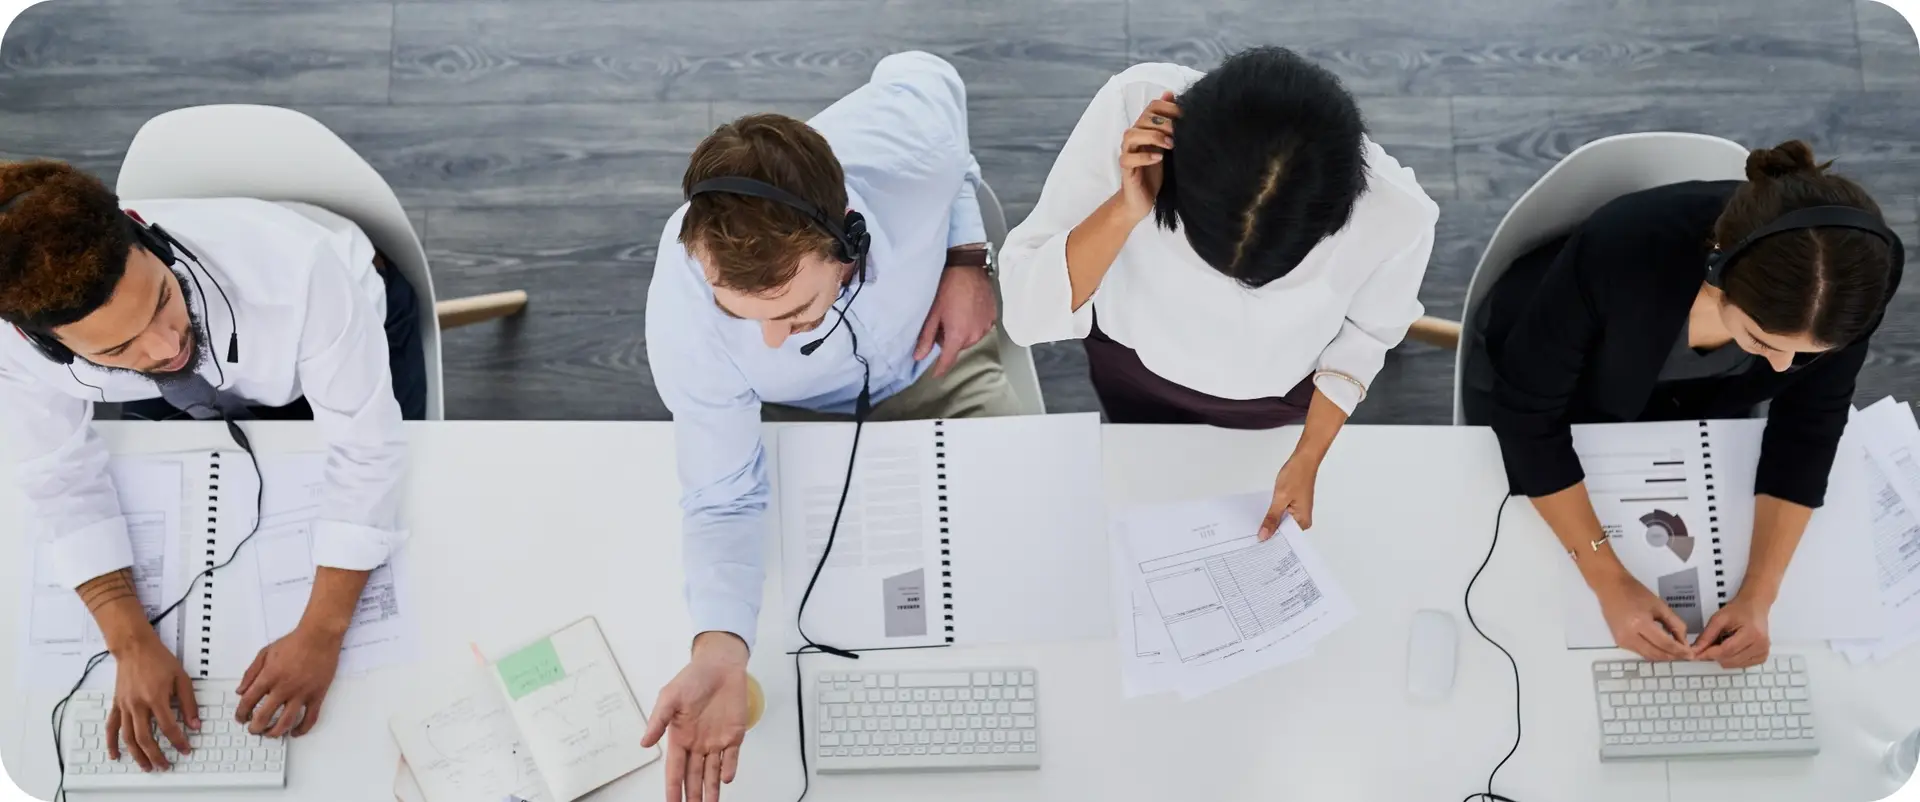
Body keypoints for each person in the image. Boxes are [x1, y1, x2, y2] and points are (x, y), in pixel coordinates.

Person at [641, 51, 1020, 802]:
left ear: (847, 241)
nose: (771, 344)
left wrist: (967, 253)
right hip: (796, 420)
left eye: (792, 313)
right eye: (745, 318)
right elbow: (721, 496)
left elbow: (927, 70)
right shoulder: (687, 309)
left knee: (1020, 561)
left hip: (937, 366)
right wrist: (719, 643)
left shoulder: (906, 140)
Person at [0, 160, 423, 771]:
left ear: (147, 237)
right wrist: (128, 640)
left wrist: (322, 632)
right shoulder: (14, 344)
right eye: (117, 348)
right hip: (186, 392)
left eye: (162, 300)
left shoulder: (301, 268)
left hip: (347, 325)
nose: (166, 346)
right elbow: (57, 475)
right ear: (42, 344)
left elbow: (367, 450)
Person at [1465, 140, 1903, 668]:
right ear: (1718, 277)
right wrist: (1610, 582)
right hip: (1548, 375)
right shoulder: (1622, 253)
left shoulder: (1847, 290)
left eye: (1808, 354)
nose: (1786, 369)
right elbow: (1527, 419)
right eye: (1763, 341)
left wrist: (1759, 594)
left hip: (1688, 406)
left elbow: (1810, 426)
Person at [997, 46, 1437, 539]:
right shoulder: (1131, 107)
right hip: (1133, 366)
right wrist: (1124, 207)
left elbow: (1368, 335)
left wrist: (1309, 454)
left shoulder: (1399, 214)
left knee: (1230, 477)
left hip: (1277, 398)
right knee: (1146, 464)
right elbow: (1026, 316)